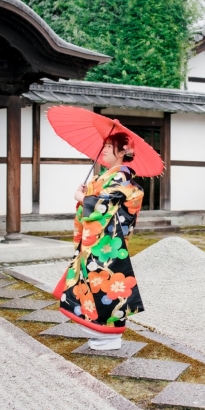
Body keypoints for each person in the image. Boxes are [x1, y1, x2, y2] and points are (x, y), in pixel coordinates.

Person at [53, 132, 145, 351]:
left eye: (109, 145)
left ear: (123, 151)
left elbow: (103, 206)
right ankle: (100, 334)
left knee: (106, 285)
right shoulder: (106, 176)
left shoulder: (121, 178)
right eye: (104, 145)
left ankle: (108, 335)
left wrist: (82, 198)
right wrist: (88, 192)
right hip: (99, 243)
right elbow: (97, 200)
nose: (103, 149)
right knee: (93, 284)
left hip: (108, 243)